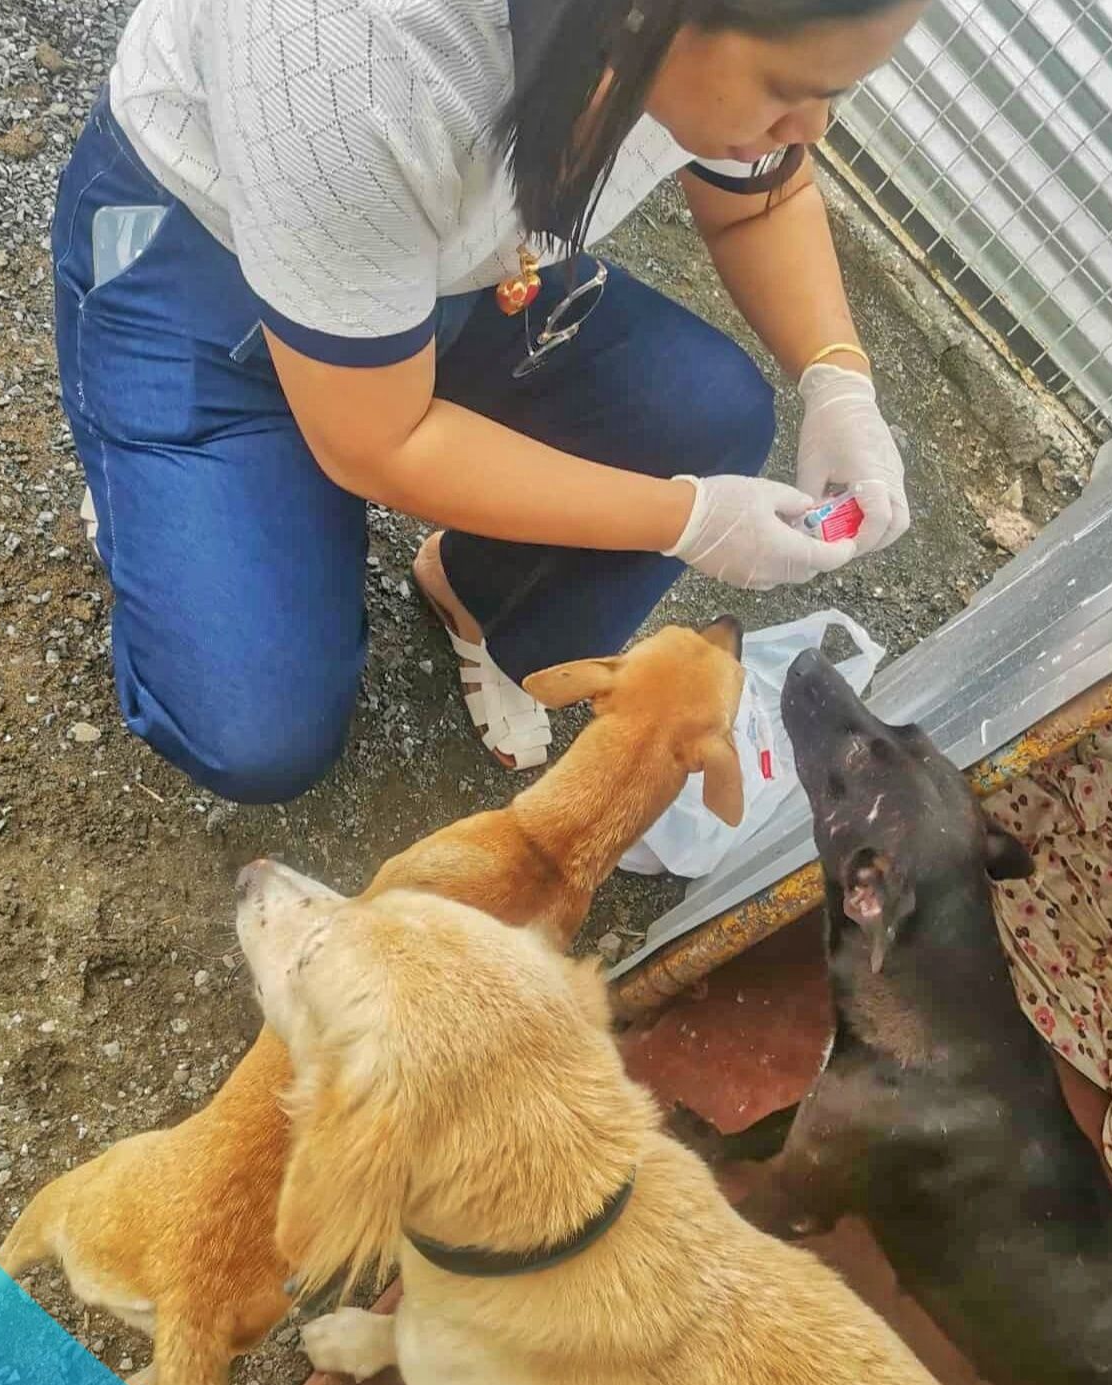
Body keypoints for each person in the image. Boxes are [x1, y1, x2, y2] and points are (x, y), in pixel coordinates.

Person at [52, 0, 924, 801]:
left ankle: (475, 596)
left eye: (837, 95)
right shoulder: (348, 45)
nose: (811, 128)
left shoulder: (676, 40)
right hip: (206, 270)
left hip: (444, 273)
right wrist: (686, 518)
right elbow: (379, 443)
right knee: (254, 728)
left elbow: (765, 203)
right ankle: (151, 490)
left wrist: (837, 375)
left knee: (709, 412)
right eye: (791, 92)